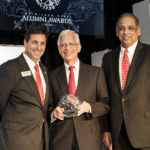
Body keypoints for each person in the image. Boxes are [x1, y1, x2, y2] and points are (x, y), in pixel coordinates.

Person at [49, 29, 109, 150]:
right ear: (59, 50)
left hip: (89, 139)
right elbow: (48, 106)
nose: (67, 48)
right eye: (62, 45)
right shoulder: (51, 76)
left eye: (71, 44)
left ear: (79, 47)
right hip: (61, 139)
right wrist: (53, 114)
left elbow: (106, 104)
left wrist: (90, 107)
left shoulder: (96, 73)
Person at [102, 13, 150, 150]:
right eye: (121, 28)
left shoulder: (148, 53)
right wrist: (106, 129)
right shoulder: (108, 58)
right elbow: (104, 96)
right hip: (118, 132)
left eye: (130, 28)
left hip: (145, 131)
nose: (126, 32)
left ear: (138, 31)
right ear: (117, 32)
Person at [0, 25, 50, 150]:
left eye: (42, 43)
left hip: (40, 140)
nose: (39, 47)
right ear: (25, 43)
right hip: (16, 141)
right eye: (34, 42)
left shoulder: (44, 70)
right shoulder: (9, 69)